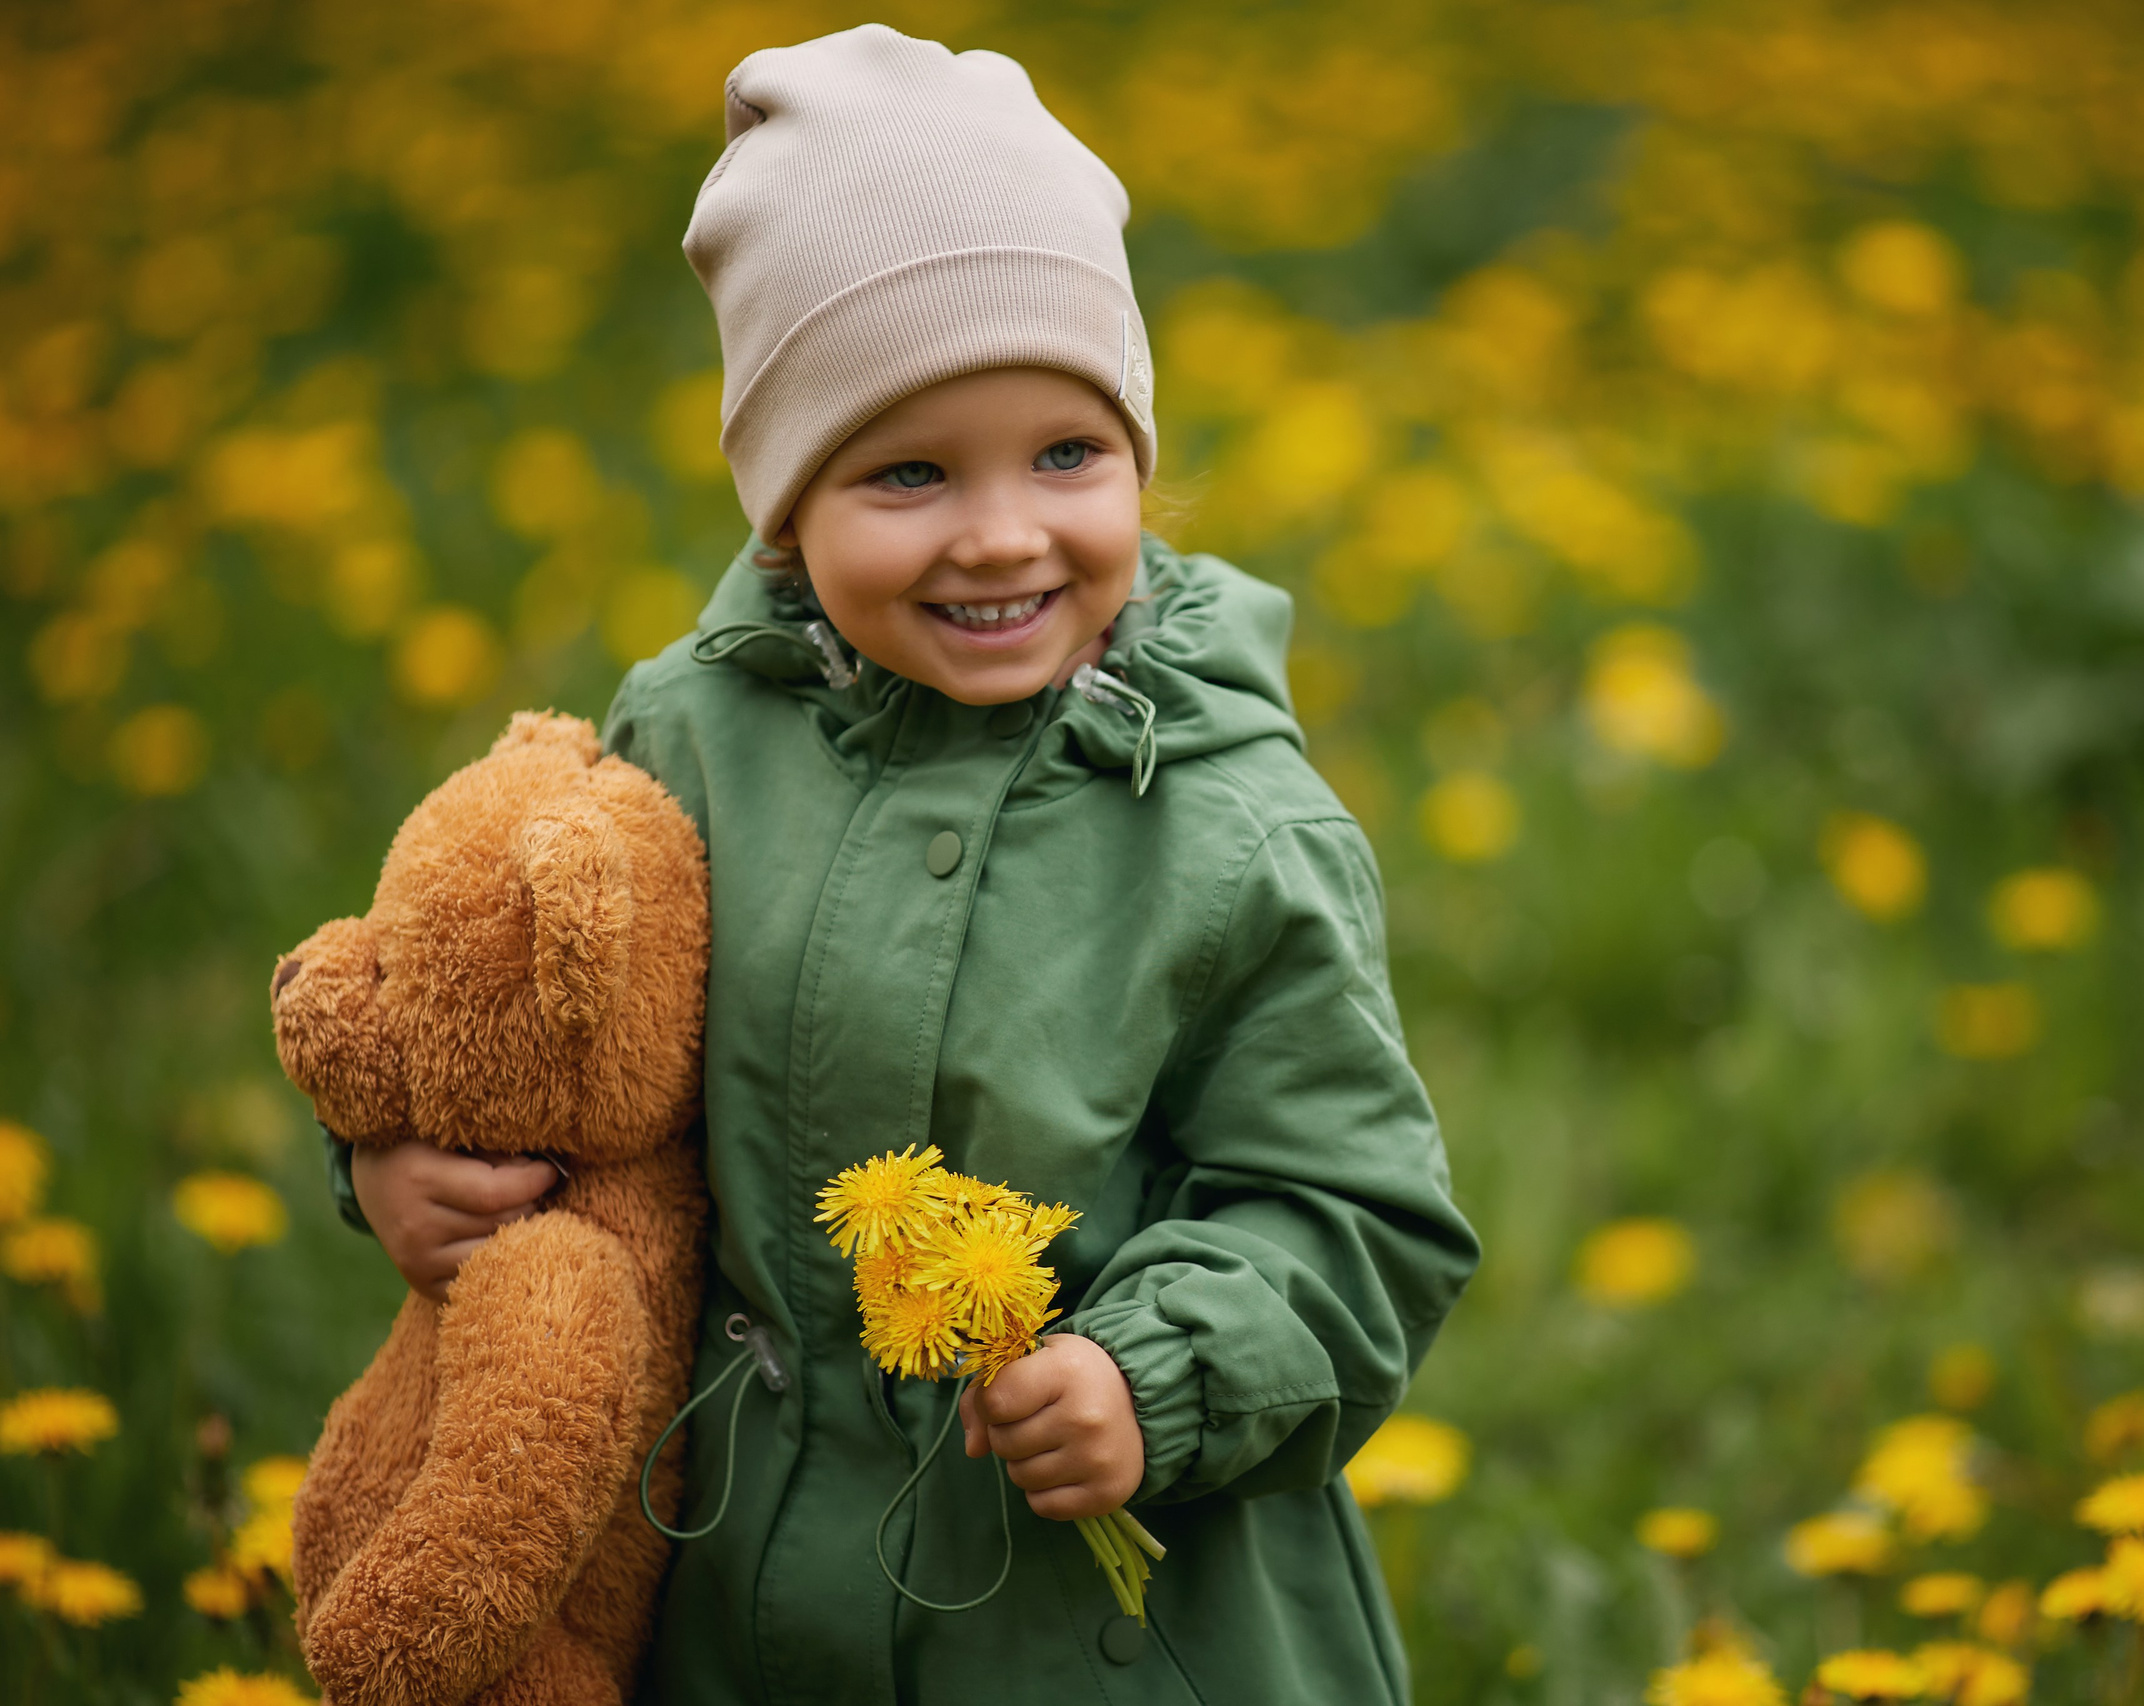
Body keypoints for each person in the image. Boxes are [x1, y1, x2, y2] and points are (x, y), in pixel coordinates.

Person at [335, 22, 1479, 1706]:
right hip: (732, 1591)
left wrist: (1148, 1372)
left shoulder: (1231, 823)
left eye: (1068, 454)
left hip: (1099, 1630)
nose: (1004, 529)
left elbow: (1356, 1214)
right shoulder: (692, 740)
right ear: (785, 506)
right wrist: (396, 1165)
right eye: (911, 470)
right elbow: (539, 1035)